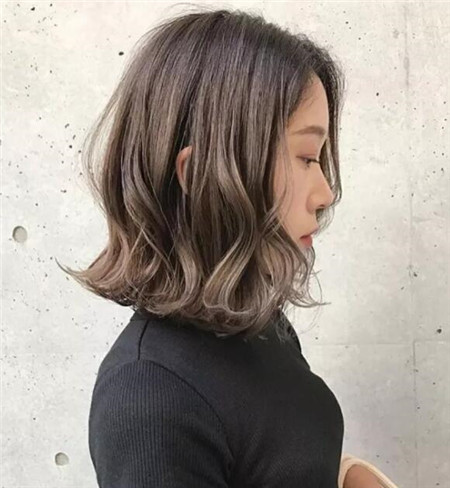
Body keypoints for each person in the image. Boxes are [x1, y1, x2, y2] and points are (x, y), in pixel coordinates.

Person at [60, 5, 382, 487]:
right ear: (200, 174)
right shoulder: (149, 397)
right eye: (305, 157)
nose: (325, 193)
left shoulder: (257, 322)